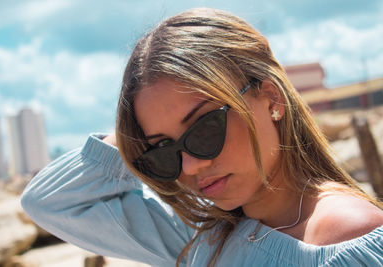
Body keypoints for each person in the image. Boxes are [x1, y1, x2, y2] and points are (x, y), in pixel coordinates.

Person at [21, 8, 383, 267]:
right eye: (164, 150)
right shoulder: (202, 230)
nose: (191, 165)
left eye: (205, 128)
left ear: (272, 98)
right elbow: (49, 201)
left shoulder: (345, 242)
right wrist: (136, 138)